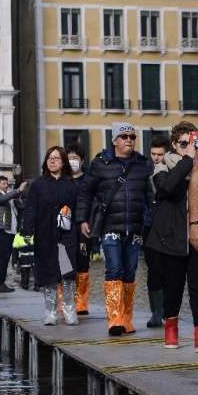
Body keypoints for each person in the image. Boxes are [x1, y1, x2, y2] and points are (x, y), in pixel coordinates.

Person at [77, 122, 153, 336]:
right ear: (114, 140)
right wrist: (83, 218)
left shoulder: (143, 164)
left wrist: (150, 221)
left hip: (135, 228)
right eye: (124, 136)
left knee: (130, 272)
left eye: (132, 136)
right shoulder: (100, 163)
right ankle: (114, 319)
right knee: (114, 270)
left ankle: (127, 318)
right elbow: (85, 193)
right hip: (110, 227)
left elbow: (150, 196)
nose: (129, 140)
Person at [147, 122, 198, 352]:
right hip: (170, 237)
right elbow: (168, 189)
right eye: (184, 143)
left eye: (192, 143)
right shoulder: (163, 166)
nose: (189, 147)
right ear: (174, 145)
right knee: (172, 287)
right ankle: (171, 329)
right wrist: (187, 161)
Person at [22, 146, 80, 325]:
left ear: (63, 162)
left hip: (65, 235)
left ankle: (69, 310)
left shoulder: (71, 185)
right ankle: (50, 311)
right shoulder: (38, 184)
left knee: (67, 273)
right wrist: (28, 230)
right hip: (45, 234)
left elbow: (77, 210)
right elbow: (31, 208)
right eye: (49, 158)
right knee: (48, 275)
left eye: (56, 158)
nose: (52, 161)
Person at [144, 135, 170, 328]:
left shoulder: (173, 170)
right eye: (153, 154)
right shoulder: (145, 171)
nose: (156, 157)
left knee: (169, 271)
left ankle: (168, 312)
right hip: (149, 226)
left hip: (169, 227)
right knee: (153, 270)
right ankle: (156, 312)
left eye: (160, 154)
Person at [66, 143, 92, 314]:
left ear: (82, 161)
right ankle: (65, 302)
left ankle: (81, 303)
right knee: (64, 265)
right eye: (69, 159)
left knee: (83, 265)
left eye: (75, 158)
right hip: (63, 230)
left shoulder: (89, 181)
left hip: (83, 228)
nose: (72, 162)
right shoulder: (62, 181)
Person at [0, 175, 27, 293]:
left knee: (5, 259)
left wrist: (19, 195)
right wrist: (18, 190)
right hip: (3, 231)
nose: (6, 186)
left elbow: (20, 205)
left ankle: (1, 283)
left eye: (7, 184)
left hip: (10, 231)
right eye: (3, 184)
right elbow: (2, 199)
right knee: (3, 258)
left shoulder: (7, 197)